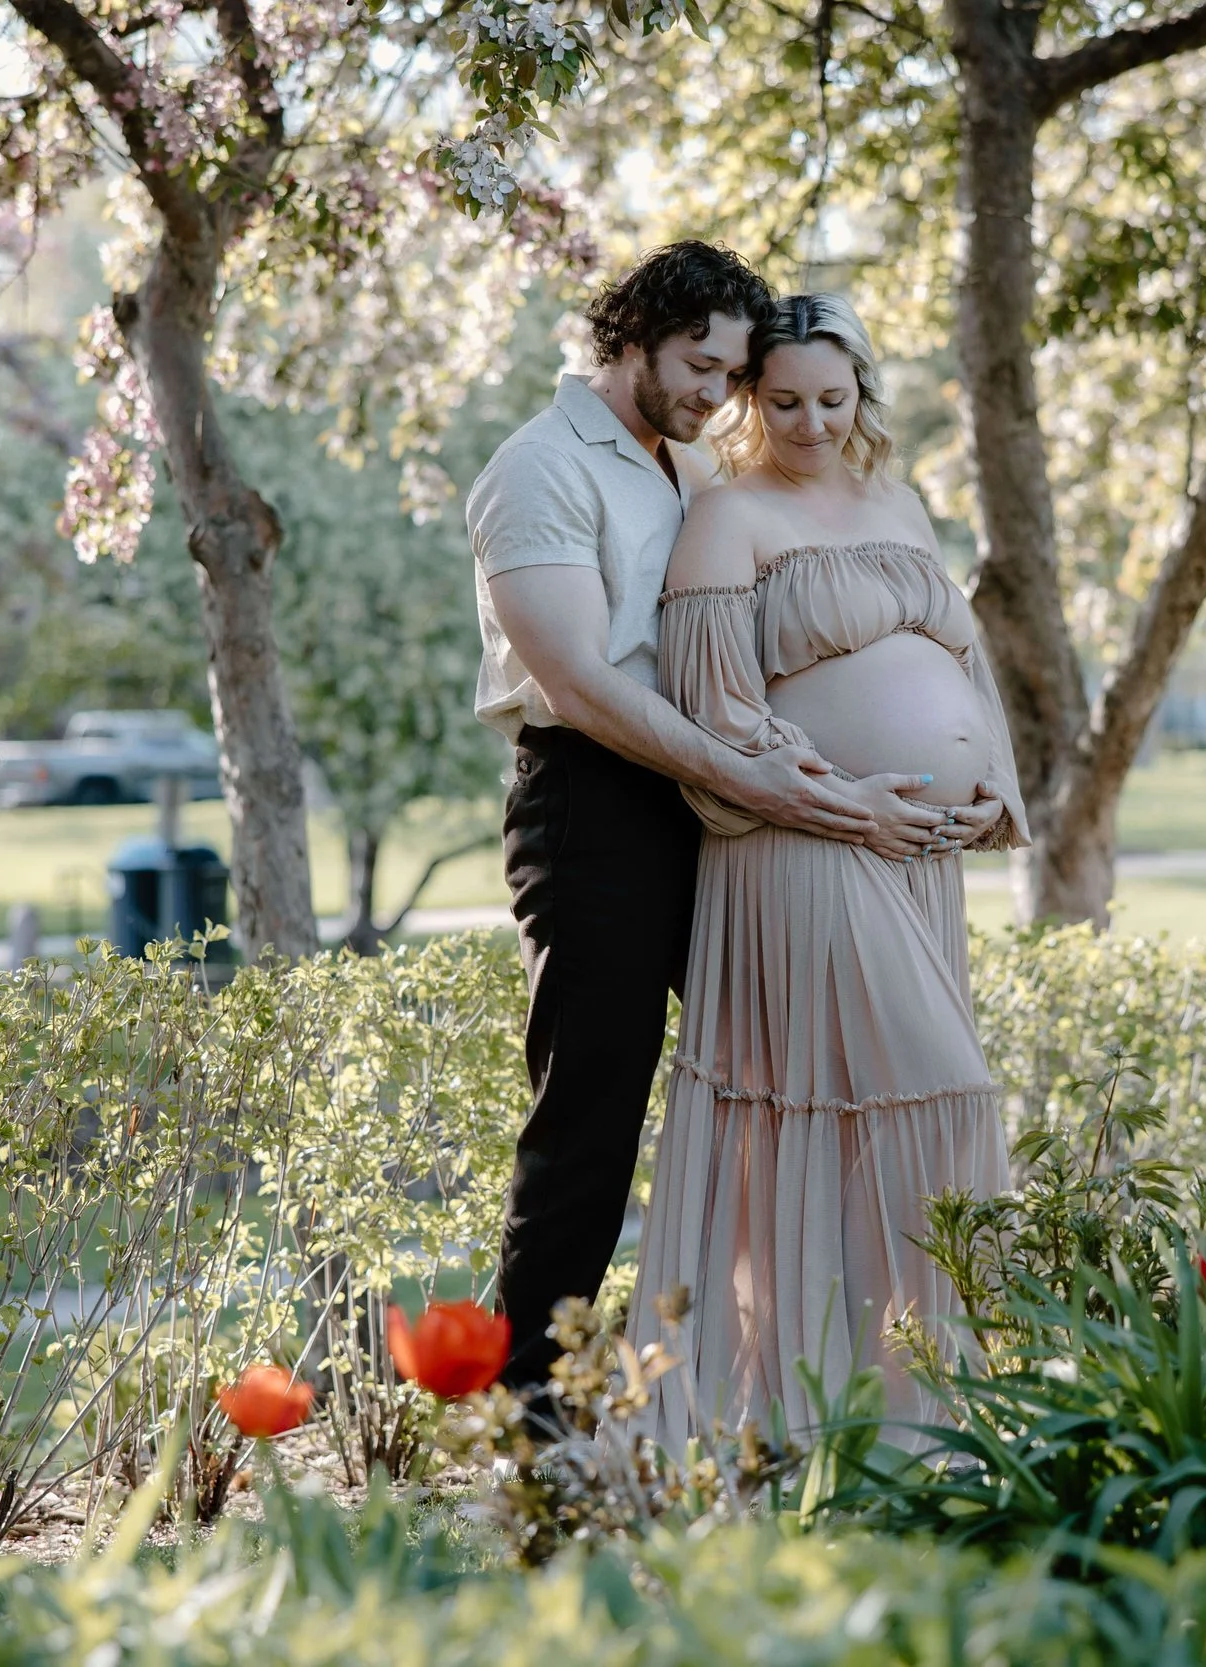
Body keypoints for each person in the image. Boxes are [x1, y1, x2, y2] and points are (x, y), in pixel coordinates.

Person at [469, 244, 953, 1396]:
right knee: (592, 1110)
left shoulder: (682, 469)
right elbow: (584, 685)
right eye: (698, 365)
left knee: (786, 1078)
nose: (713, 398)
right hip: (596, 804)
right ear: (630, 331)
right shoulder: (539, 469)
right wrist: (767, 783)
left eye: (732, 378)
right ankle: (527, 1422)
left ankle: (782, 1377)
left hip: (726, 804)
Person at [625, 293, 1022, 1442]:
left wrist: (988, 775)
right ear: (751, 401)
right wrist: (850, 805)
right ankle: (829, 1408)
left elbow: (960, 651)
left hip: (917, 859)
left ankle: (896, 1411)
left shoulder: (895, 500)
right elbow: (717, 711)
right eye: (782, 399)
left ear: (863, 397)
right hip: (801, 846)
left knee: (875, 1114)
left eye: (831, 400)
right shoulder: (727, 519)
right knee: (939, 1096)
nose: (808, 422)